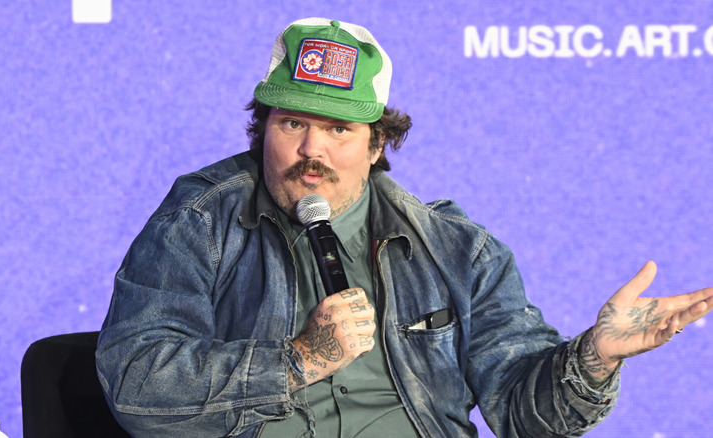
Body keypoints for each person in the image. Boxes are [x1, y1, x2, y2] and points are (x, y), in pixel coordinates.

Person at [95, 17, 713, 437]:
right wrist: (297, 361)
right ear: (263, 127)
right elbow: (136, 383)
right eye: (291, 123)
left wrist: (594, 360)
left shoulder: (456, 249)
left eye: (339, 129)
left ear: (376, 144)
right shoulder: (199, 219)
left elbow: (522, 412)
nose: (311, 149)